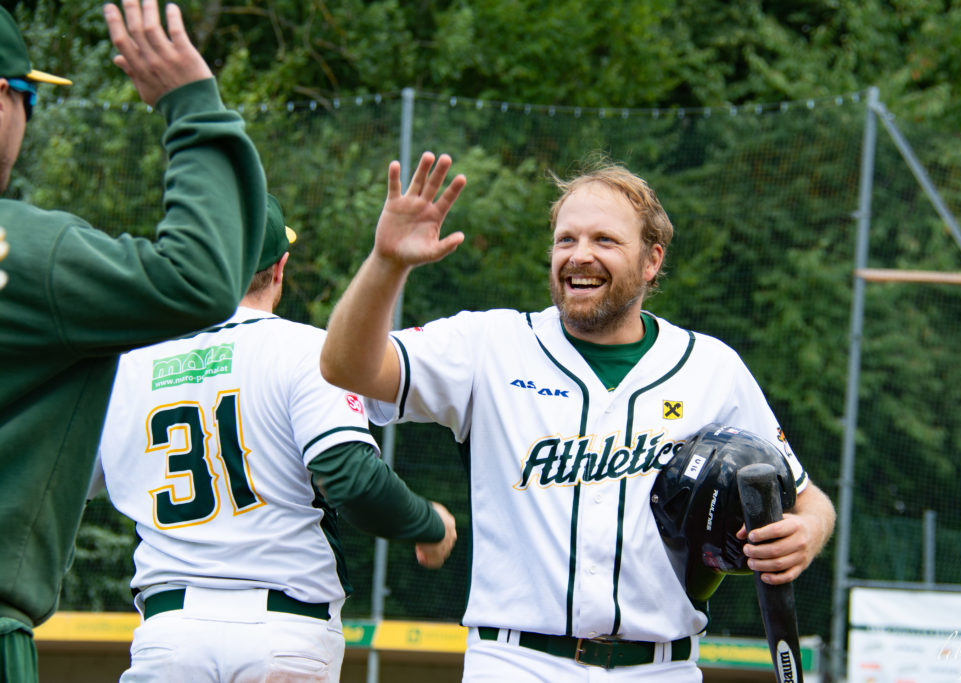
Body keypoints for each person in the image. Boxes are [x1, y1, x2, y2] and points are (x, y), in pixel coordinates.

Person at [320, 152, 836, 681]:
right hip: (517, 662)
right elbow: (344, 366)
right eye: (566, 240)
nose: (579, 255)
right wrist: (386, 264)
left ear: (652, 260)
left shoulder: (712, 368)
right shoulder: (491, 346)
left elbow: (809, 500)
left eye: (604, 241)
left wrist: (806, 534)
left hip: (660, 667)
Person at [0, 2, 267, 679]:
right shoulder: (32, 255)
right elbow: (198, 280)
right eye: (27, 96)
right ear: (4, 100)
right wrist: (194, 106)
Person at [91, 194, 457, 682]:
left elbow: (67, 487)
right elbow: (353, 480)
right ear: (281, 267)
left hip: (168, 635)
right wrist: (428, 525)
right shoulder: (308, 351)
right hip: (283, 631)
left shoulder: (127, 364)